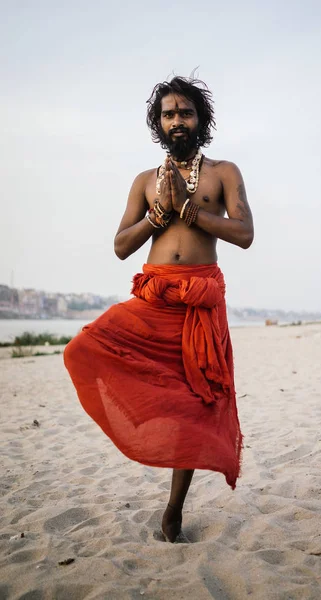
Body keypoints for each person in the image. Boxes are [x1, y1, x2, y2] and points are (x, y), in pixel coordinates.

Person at [64, 76, 254, 543]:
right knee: (80, 349)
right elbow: (120, 247)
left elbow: (245, 233)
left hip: (199, 305)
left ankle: (173, 511)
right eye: (168, 113)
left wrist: (191, 210)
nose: (177, 120)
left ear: (199, 119)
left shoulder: (224, 172)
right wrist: (157, 216)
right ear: (158, 122)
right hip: (153, 300)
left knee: (194, 405)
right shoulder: (145, 182)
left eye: (185, 112)